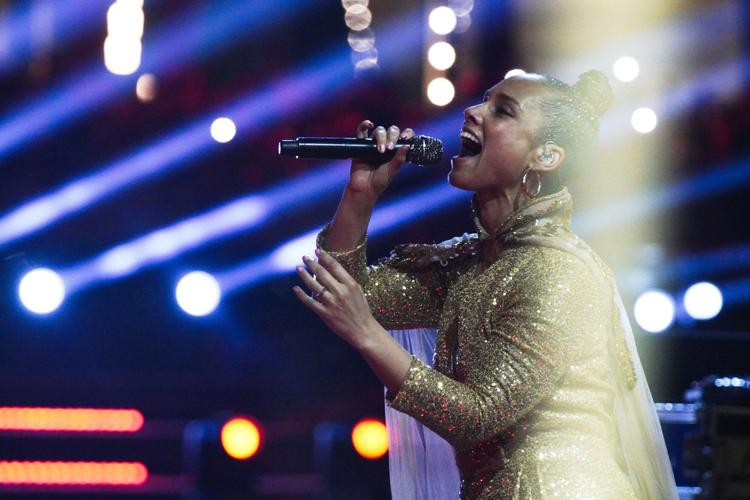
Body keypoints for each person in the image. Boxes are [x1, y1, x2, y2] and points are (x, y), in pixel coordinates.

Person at [292, 70, 678, 499]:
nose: (472, 111)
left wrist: (367, 334)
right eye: (484, 100)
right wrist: (361, 195)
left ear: (546, 156)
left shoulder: (558, 272)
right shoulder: (475, 262)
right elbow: (347, 293)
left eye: (502, 111)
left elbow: (477, 416)